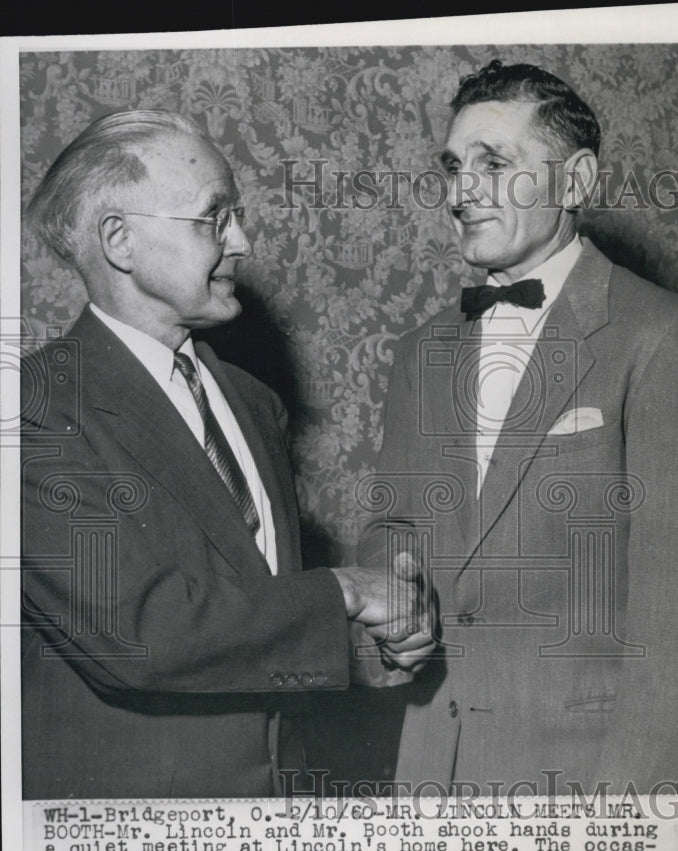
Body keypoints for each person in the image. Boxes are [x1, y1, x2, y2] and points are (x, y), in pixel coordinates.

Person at [20, 110, 434, 800]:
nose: (241, 242)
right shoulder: (36, 408)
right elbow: (143, 633)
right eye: (214, 218)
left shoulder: (250, 402)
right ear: (119, 240)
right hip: (131, 837)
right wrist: (347, 592)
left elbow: (257, 612)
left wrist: (368, 649)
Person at [359, 62, 678, 796]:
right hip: (432, 773)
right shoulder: (421, 351)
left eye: (494, 163)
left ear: (574, 183)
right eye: (453, 167)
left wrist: (620, 821)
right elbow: (395, 528)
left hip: (588, 781)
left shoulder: (666, 338)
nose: (461, 190)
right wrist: (387, 617)